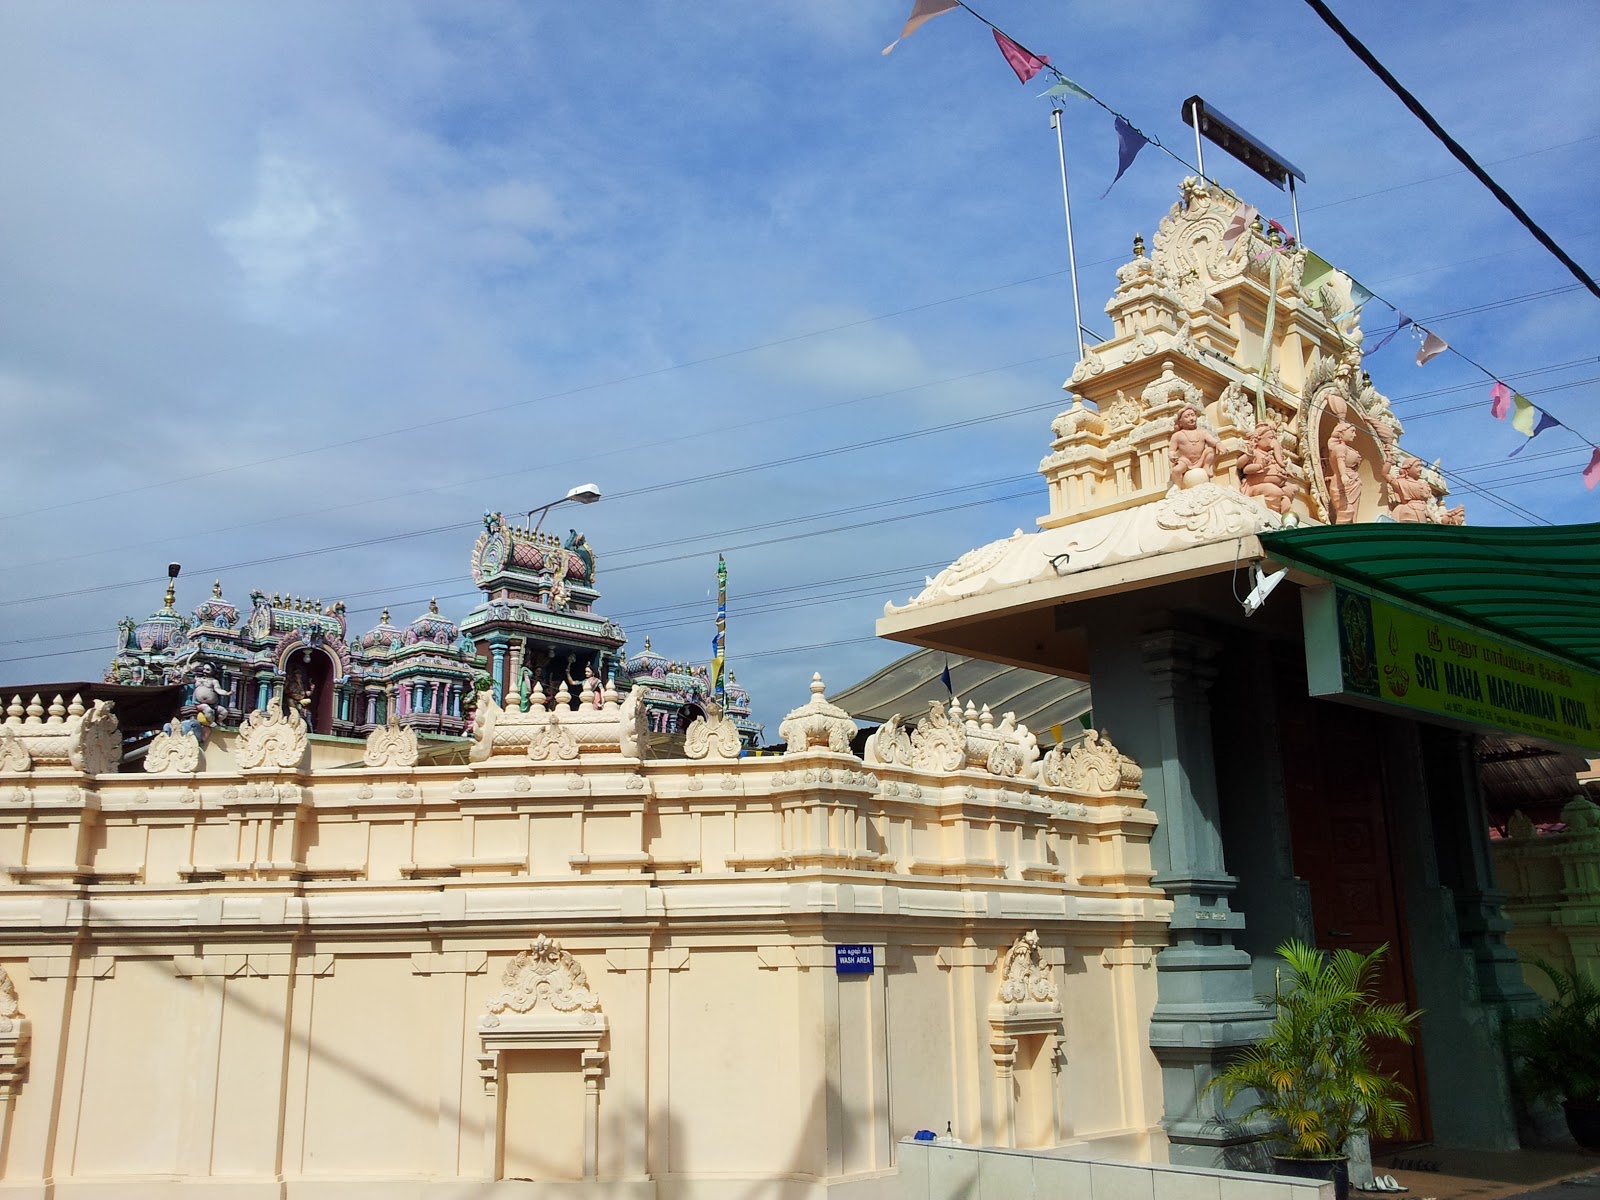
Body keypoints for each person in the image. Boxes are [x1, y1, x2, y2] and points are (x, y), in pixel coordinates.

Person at [1238, 423, 1297, 515]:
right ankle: (1273, 513)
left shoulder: (1270, 456)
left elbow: (1278, 468)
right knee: (1274, 491)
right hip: (1254, 487)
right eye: (1270, 438)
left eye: (1274, 438)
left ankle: (1281, 505)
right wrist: (1261, 465)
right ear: (1258, 439)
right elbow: (1245, 469)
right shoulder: (1255, 453)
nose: (1273, 442)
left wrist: (1287, 472)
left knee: (1293, 489)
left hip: (1276, 486)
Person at [1167, 406, 1219, 488]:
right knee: (1176, 470)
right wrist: (1172, 455)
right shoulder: (1177, 435)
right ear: (1180, 421)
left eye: (1193, 415)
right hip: (1185, 461)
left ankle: (1206, 466)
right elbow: (1171, 450)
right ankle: (1177, 487)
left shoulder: (1202, 433)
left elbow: (1213, 442)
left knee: (1211, 450)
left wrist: (1219, 445)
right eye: (1187, 416)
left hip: (1201, 459)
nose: (1191, 418)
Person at [1325, 421, 1364, 524]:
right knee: (1346, 511)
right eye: (1352, 431)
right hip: (1343, 484)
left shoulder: (1348, 449)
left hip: (1353, 484)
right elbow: (1340, 461)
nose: (1354, 435)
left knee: (1353, 515)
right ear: (1341, 433)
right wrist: (1343, 475)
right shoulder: (1339, 448)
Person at [1386, 455, 1433, 523]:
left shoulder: (1423, 484)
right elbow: (1385, 474)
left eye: (1421, 466)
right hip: (1407, 513)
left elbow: (1425, 506)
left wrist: (1431, 516)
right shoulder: (1401, 483)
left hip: (1422, 513)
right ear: (1407, 469)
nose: (1420, 469)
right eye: (1417, 466)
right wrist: (1389, 458)